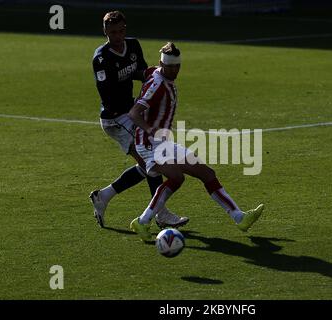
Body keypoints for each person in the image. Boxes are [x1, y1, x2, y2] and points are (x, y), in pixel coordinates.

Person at [127, 42, 264, 241]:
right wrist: (150, 129)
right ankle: (142, 221)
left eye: (177, 66)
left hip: (163, 143)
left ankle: (240, 217)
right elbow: (134, 113)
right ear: (162, 65)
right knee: (176, 177)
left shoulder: (157, 73)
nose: (174, 70)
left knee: (207, 173)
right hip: (149, 144)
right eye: (170, 67)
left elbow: (144, 72)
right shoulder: (157, 86)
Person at [90, 11, 189, 229]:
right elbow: (108, 96)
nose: (118, 36)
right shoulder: (101, 58)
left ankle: (103, 196)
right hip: (115, 118)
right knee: (151, 162)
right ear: (105, 32)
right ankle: (161, 215)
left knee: (147, 165)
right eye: (113, 32)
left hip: (130, 111)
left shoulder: (133, 45)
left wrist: (156, 74)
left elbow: (141, 72)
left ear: (125, 28)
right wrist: (137, 110)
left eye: (121, 31)